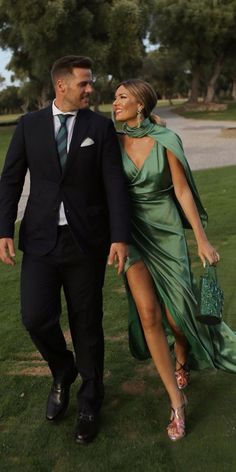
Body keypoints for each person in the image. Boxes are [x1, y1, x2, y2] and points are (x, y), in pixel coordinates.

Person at [0, 55, 130, 444]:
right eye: (84, 83)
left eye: (91, 83)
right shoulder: (29, 126)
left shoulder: (100, 127)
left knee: (87, 323)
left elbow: (114, 185)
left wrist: (119, 236)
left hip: (85, 242)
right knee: (35, 317)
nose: (91, 89)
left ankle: (91, 398)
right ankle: (62, 370)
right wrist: (3, 229)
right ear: (61, 86)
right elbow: (10, 180)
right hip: (39, 241)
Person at [113, 79, 236, 441]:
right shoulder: (114, 142)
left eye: (122, 97)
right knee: (149, 314)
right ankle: (176, 400)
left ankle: (182, 350)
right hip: (132, 235)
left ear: (140, 105)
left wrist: (200, 239)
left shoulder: (166, 141)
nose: (114, 102)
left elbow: (181, 190)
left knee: (177, 315)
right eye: (115, 97)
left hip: (166, 232)